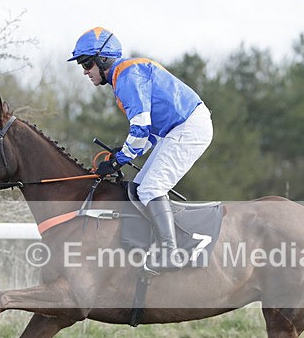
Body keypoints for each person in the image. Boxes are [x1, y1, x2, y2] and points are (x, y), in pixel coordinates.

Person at [68, 27, 213, 272]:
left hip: (188, 127)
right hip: (174, 130)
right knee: (138, 189)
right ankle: (157, 245)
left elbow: (141, 129)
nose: (84, 71)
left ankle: (171, 253)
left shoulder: (127, 76)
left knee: (151, 189)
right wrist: (120, 154)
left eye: (87, 63)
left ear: (103, 59)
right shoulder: (124, 77)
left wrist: (119, 160)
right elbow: (149, 135)